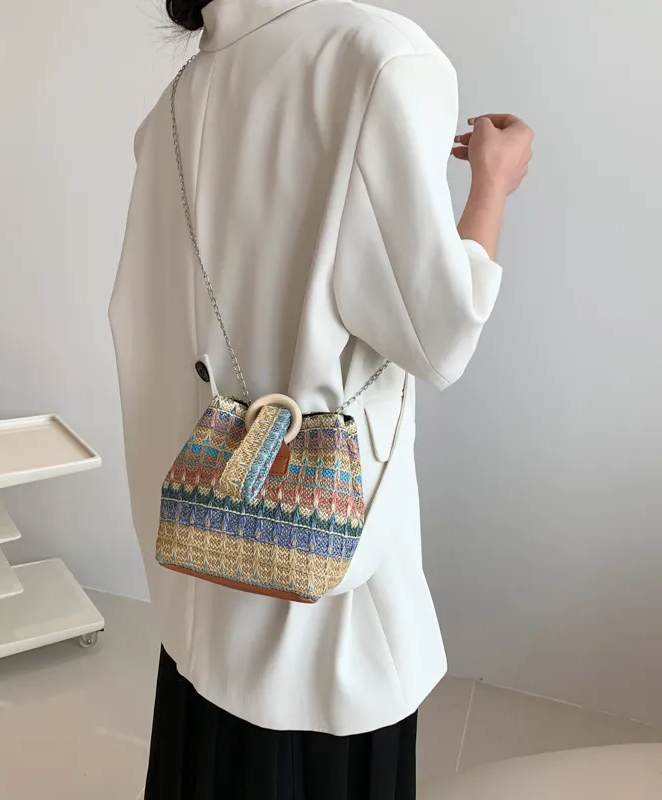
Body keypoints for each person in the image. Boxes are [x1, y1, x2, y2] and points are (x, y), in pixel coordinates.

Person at [109, 0, 533, 797]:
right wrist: (493, 184)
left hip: (204, 564)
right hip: (321, 587)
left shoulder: (175, 104)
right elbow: (439, 335)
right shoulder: (379, 58)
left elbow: (140, 323)